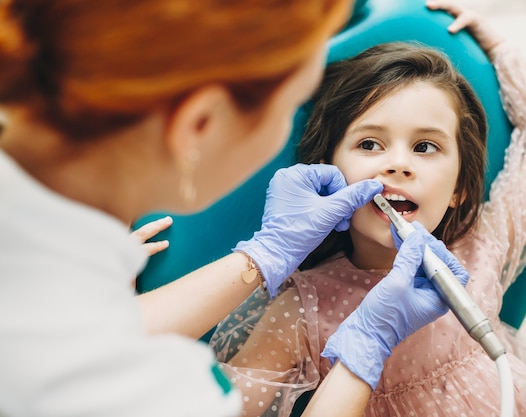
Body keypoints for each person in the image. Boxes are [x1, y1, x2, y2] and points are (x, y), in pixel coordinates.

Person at [0, 1, 466, 416]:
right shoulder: (142, 389)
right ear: (199, 125)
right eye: (289, 109)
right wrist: (367, 346)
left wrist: (266, 253)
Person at [210, 1, 526, 416]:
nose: (398, 164)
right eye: (370, 144)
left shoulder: (482, 249)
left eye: (425, 147)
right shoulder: (303, 310)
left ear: (459, 188)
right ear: (327, 174)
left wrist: (498, 47)